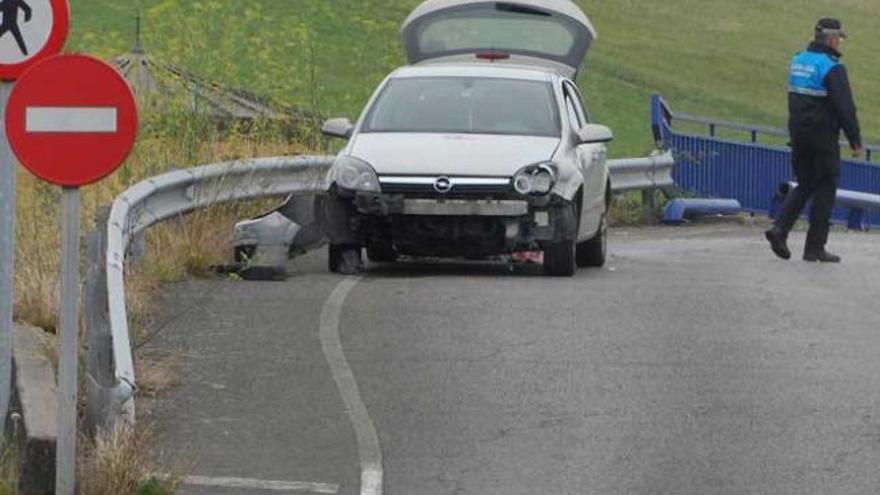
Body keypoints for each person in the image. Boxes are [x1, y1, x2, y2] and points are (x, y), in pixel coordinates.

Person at [765, 18, 863, 263]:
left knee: (806, 183)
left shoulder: (798, 61)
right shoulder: (831, 67)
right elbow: (845, 108)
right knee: (826, 186)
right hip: (822, 138)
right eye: (839, 38)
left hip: (798, 135)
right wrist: (855, 140)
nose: (840, 43)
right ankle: (815, 247)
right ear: (830, 38)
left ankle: (779, 229)